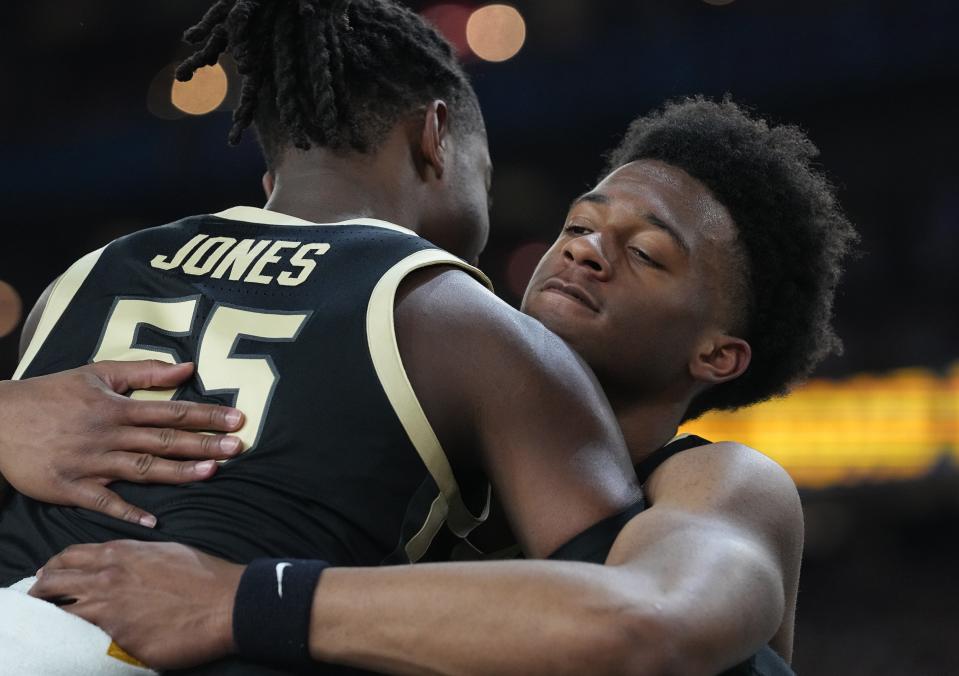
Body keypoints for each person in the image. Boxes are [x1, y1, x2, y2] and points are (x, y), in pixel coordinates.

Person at [27, 95, 857, 675]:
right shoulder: (418, 455)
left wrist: (242, 599)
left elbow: (649, 623)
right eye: (578, 225)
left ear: (718, 355)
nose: (583, 251)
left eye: (643, 253)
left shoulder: (718, 484)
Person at [1, 1, 643, 672]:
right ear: (434, 134)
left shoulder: (81, 279)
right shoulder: (460, 321)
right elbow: (621, 621)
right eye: (480, 173)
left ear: (273, 178)